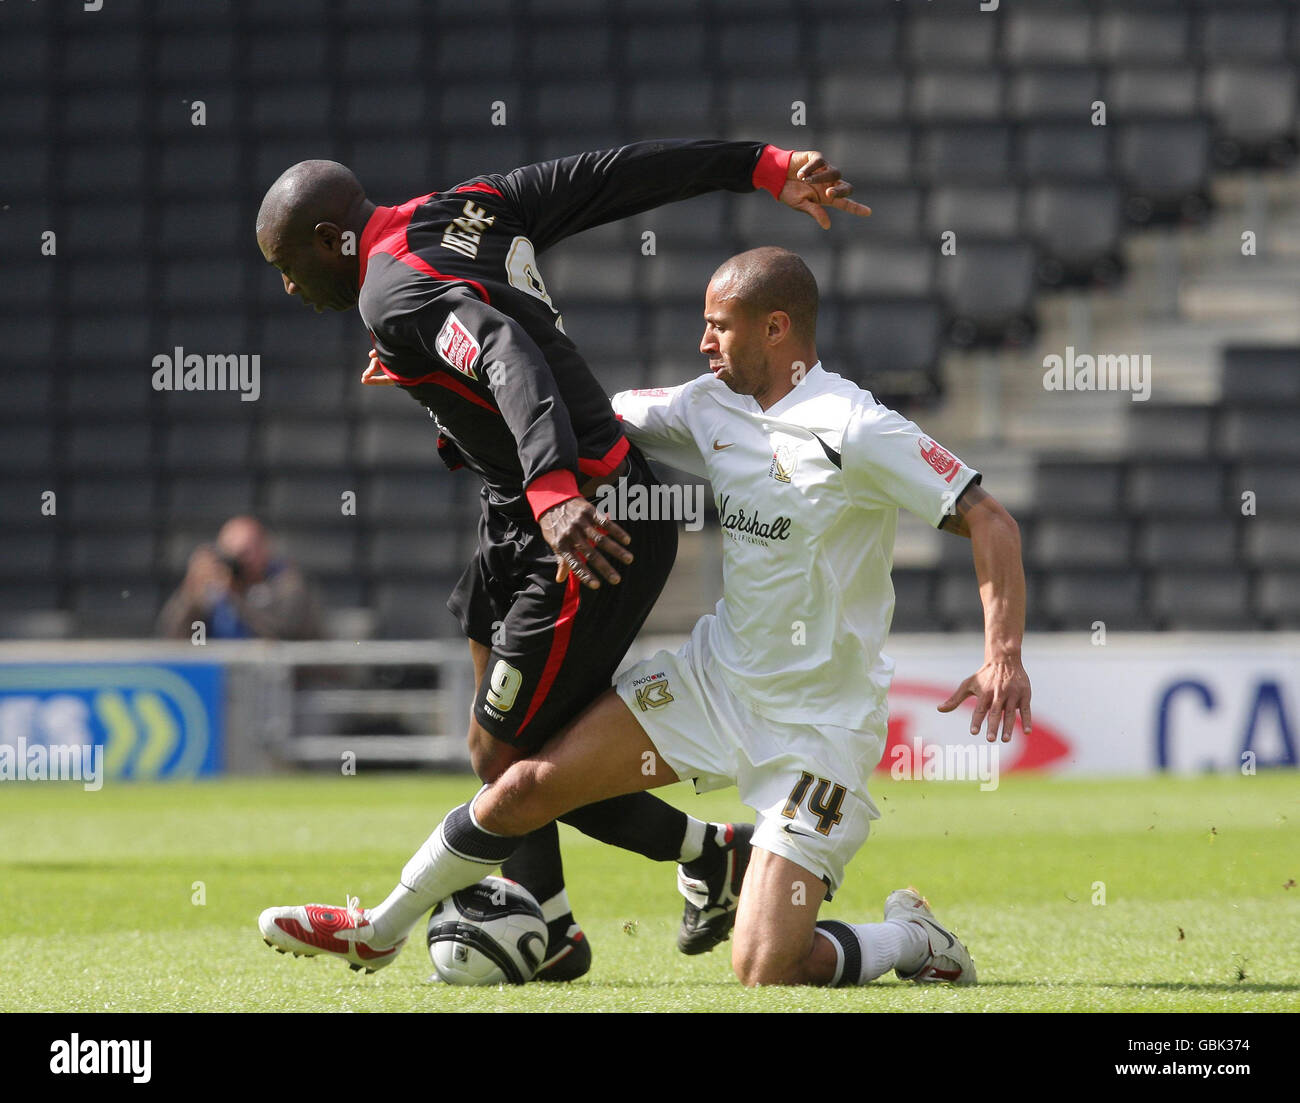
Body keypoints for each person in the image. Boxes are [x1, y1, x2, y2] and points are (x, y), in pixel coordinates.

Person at [258, 245, 1032, 988]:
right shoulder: (709, 407)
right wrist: (432, 380)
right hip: (713, 680)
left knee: (767, 966)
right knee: (524, 782)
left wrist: (1002, 655)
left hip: (819, 729)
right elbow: (574, 412)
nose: (703, 342)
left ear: (777, 327)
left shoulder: (856, 427)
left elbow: (990, 518)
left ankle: (911, 938)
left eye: (719, 325)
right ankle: (380, 927)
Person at [253, 142, 871, 978]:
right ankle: (606, 900)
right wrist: (757, 166)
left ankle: (551, 920)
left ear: (330, 238)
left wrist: (551, 491)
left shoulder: (391, 291)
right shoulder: (467, 205)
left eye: (288, 267)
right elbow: (612, 177)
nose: (288, 287)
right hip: (514, 516)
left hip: (586, 521)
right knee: (497, 745)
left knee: (514, 756)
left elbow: (509, 355)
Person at [157, 515, 323, 640]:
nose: (238, 562)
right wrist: (191, 592)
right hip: (217, 678)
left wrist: (234, 595)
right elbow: (172, 637)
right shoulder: (210, 590)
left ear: (264, 549)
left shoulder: (287, 583)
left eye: (245, 553)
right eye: (230, 554)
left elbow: (280, 636)